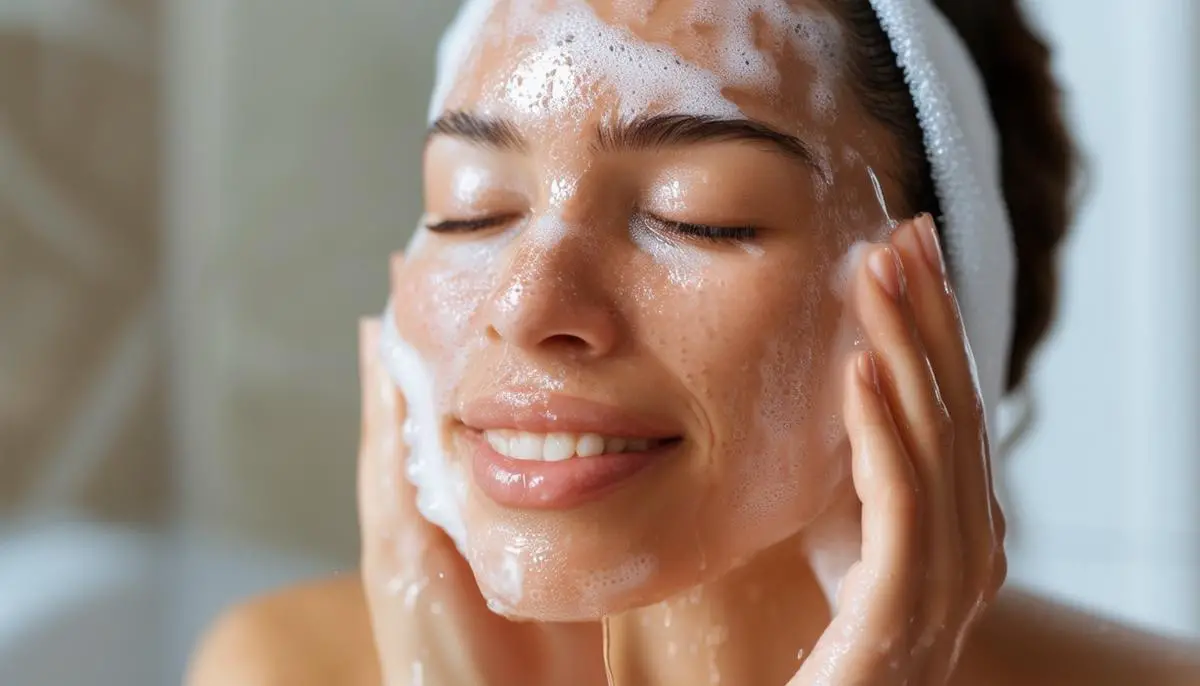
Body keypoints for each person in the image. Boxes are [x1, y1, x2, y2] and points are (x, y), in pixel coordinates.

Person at [187, 0, 1200, 684]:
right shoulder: (279, 664)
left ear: (952, 311)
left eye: (697, 214)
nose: (528, 304)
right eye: (472, 207)